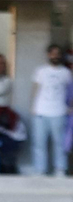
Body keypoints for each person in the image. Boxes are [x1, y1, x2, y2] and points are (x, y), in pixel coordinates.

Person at [31, 44, 71, 176]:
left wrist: (70, 107)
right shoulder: (41, 71)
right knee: (39, 143)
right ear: (48, 55)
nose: (55, 56)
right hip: (41, 112)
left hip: (59, 112)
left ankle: (60, 169)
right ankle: (40, 170)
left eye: (57, 53)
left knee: (59, 143)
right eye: (53, 53)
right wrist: (33, 106)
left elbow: (70, 92)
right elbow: (36, 88)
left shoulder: (66, 73)